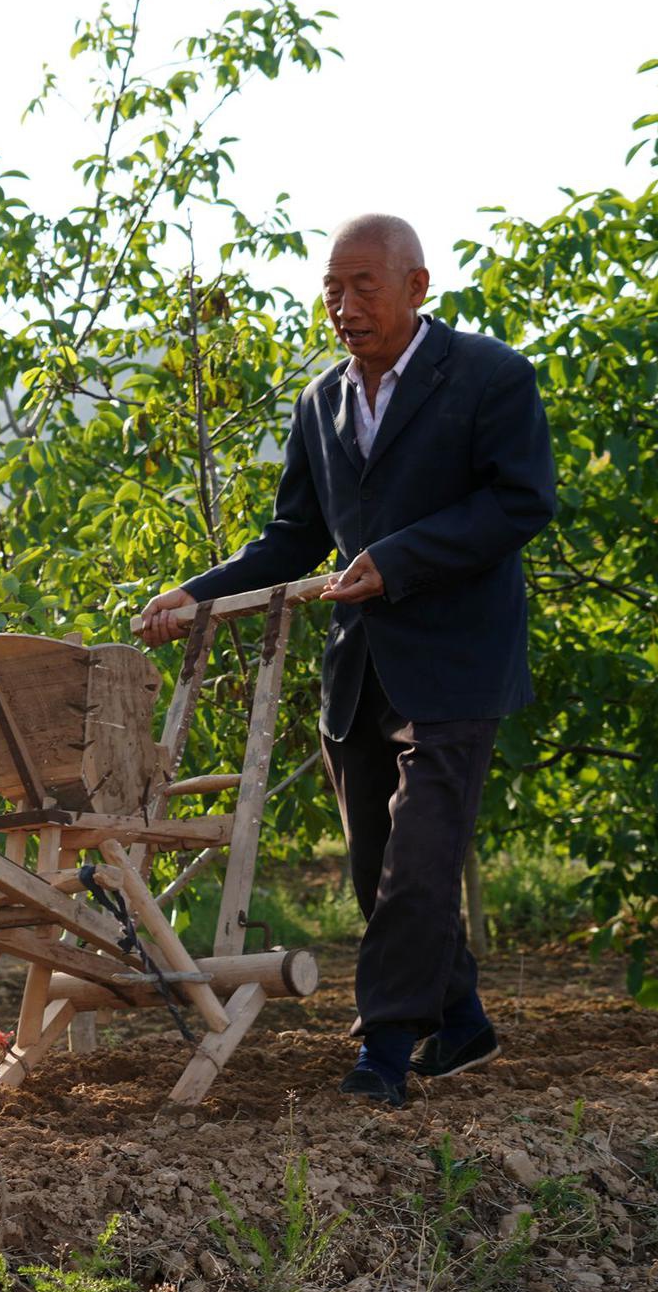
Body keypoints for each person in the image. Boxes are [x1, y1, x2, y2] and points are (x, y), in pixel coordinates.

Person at [136, 214, 556, 1107]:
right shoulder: (321, 402)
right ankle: (463, 1018)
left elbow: (520, 503)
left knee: (419, 863)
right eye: (332, 286)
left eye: (365, 285)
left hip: (457, 667)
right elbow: (293, 537)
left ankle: (385, 1050)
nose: (343, 304)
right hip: (359, 670)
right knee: (377, 869)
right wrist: (196, 592)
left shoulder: (491, 377)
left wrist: (398, 560)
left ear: (417, 286)